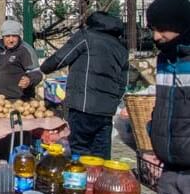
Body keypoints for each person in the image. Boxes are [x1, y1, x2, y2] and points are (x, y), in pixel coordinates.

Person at [37, 12, 128, 159]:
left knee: (78, 152)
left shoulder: (86, 37)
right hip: (105, 112)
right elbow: (123, 81)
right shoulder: (120, 47)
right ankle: (100, 180)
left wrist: (43, 68)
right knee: (100, 156)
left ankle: (79, 180)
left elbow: (61, 58)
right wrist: (113, 102)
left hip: (82, 106)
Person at [145, 0, 190, 194]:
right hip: (170, 170)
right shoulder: (165, 59)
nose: (156, 36)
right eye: (153, 28)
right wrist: (156, 136)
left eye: (162, 29)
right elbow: (163, 106)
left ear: (180, 26)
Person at [0, 20, 42, 101]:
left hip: (19, 100)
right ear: (3, 36)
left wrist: (29, 80)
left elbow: (37, 73)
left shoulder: (25, 50)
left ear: (19, 36)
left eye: (14, 36)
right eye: (7, 36)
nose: (11, 40)